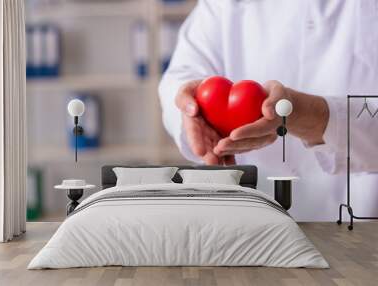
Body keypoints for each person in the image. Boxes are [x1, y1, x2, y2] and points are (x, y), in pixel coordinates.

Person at [158, 0, 378, 221]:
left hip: (363, 222)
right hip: (247, 220)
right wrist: (192, 111)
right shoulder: (221, 5)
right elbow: (181, 78)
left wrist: (311, 115)